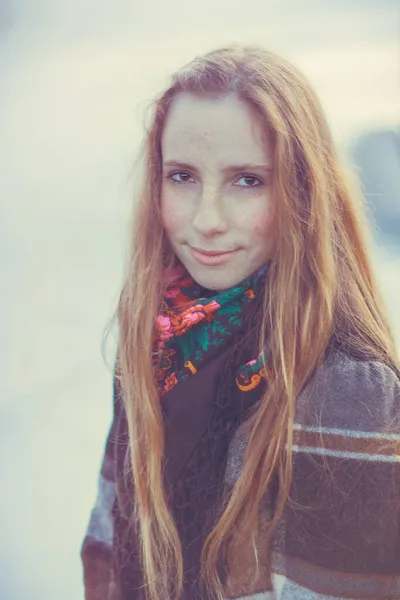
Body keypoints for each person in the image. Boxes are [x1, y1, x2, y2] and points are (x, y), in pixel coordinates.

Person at [80, 44, 400, 600]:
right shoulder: (154, 341)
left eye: (247, 180)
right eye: (181, 176)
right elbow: (109, 551)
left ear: (304, 192)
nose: (206, 220)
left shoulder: (347, 390)